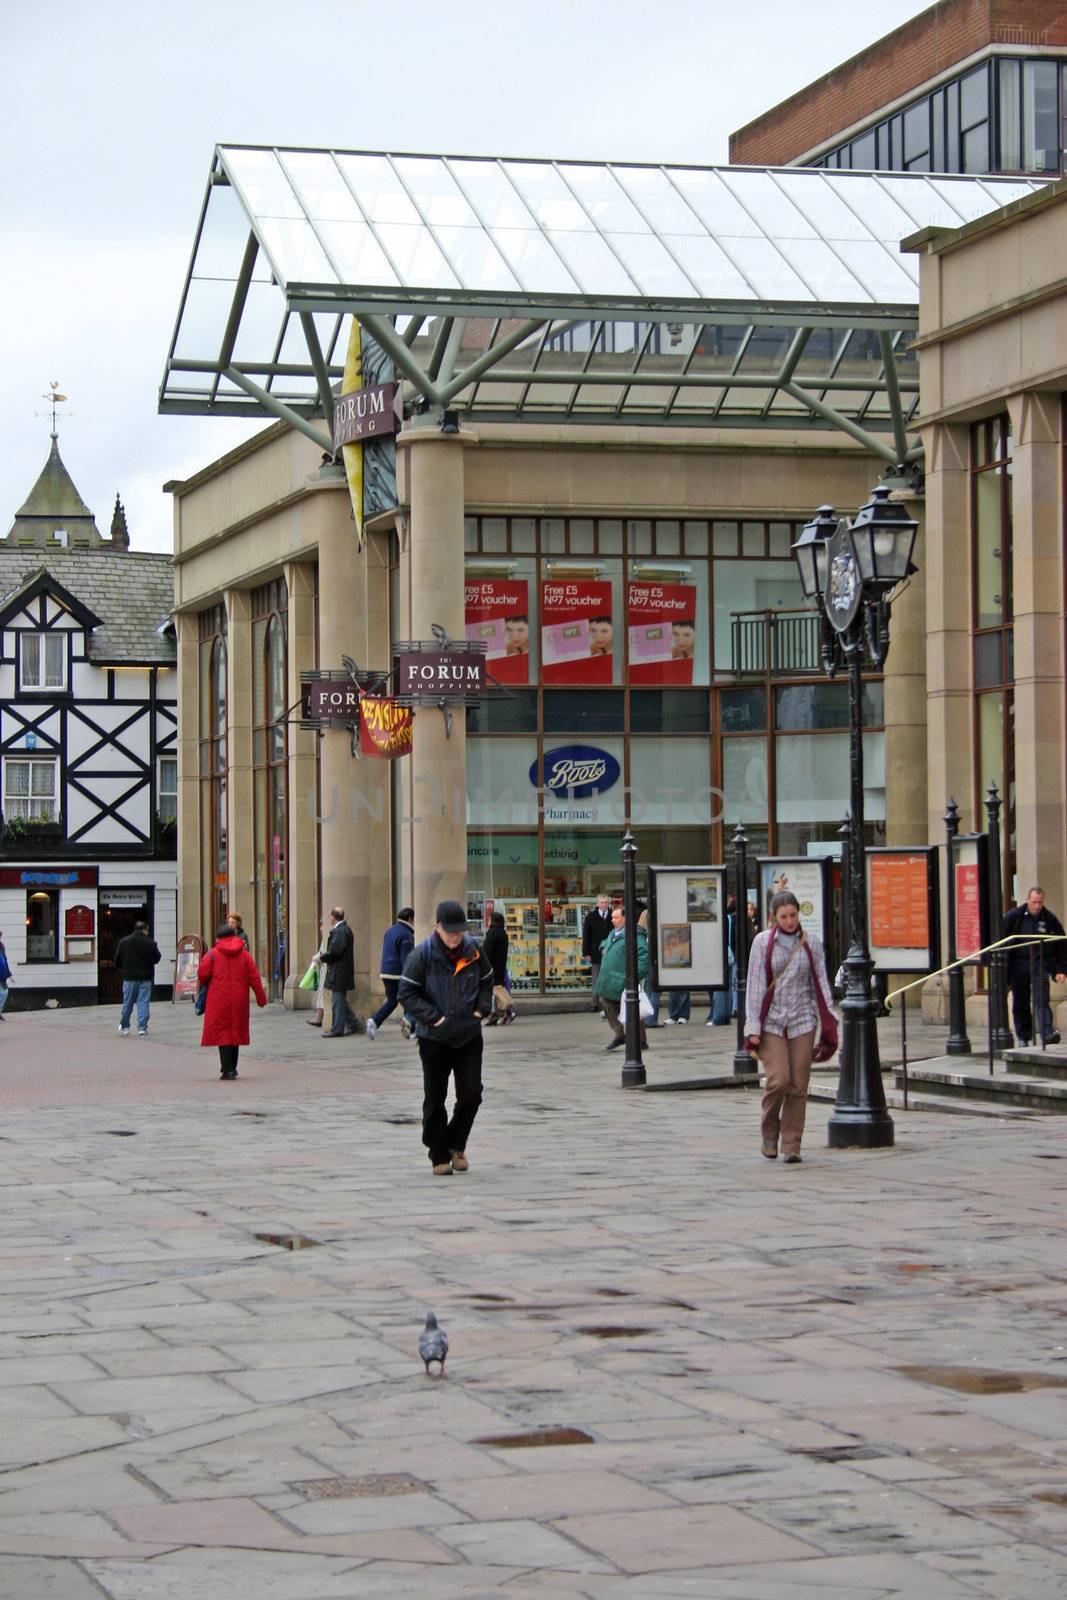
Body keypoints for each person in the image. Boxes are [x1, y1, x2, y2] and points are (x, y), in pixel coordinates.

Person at [398, 900, 494, 1176]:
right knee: (435, 1097)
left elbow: (488, 981)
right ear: (437, 927)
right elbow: (407, 993)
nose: (455, 936)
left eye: (459, 931)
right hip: (434, 1037)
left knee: (472, 1094)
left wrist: (480, 1010)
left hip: (468, 1035)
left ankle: (456, 1144)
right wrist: (434, 1018)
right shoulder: (422, 955)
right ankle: (439, 1153)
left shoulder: (474, 951)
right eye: (450, 930)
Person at [744, 890, 837, 1165]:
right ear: (774, 917)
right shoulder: (762, 942)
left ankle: (792, 1144)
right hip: (771, 1021)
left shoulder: (812, 943)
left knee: (798, 1084)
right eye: (783, 916)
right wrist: (753, 1025)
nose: (789, 921)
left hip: (802, 1018)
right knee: (779, 1079)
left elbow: (820, 981)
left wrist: (829, 1019)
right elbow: (756, 985)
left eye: (793, 915)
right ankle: (769, 1133)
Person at [197, 923, 267, 1079]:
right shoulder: (245, 955)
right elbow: (255, 977)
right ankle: (233, 1068)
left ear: (218, 938)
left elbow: (202, 974)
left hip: (218, 999)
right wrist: (261, 998)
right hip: (239, 999)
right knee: (235, 1031)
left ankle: (226, 1069)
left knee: (223, 1033)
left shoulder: (212, 954)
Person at [1002, 887, 1067, 1046]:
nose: (1037, 906)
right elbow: (1001, 938)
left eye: (1040, 902)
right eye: (1034, 902)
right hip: (1019, 963)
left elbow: (1061, 944)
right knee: (1021, 1001)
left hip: (1040, 962)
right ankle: (1024, 1036)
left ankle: (1047, 1033)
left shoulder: (1049, 918)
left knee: (1041, 999)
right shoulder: (1014, 916)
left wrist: (1061, 970)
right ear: (1027, 900)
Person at [594, 903, 649, 1052]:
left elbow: (644, 957)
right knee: (613, 1004)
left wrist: (633, 976)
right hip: (611, 979)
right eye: (612, 917)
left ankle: (624, 1035)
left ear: (626, 918)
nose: (613, 920)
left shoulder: (635, 935)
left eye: (616, 917)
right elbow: (612, 944)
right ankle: (634, 1039)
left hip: (623, 979)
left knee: (630, 1008)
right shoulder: (615, 932)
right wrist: (603, 945)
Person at [366, 908, 415, 1040]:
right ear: (410, 919)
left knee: (392, 1001)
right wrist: (410, 975)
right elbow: (406, 958)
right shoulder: (407, 934)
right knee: (409, 999)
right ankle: (409, 1029)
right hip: (398, 973)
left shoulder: (390, 930)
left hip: (386, 972)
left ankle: (374, 1021)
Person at [114, 920, 161, 1037]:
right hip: (145, 977)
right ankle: (142, 1027)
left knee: (127, 1002)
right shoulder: (151, 943)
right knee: (143, 1002)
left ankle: (125, 1026)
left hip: (129, 977)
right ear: (145, 930)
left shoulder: (124, 942)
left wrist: (122, 968)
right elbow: (157, 958)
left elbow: (117, 960)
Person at [321, 906, 363, 1038]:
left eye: (330, 916)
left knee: (337, 1001)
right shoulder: (343, 930)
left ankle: (337, 1029)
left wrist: (322, 957)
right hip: (341, 970)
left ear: (333, 917)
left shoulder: (340, 931)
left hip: (339, 971)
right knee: (341, 1001)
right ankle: (355, 1025)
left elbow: (336, 952)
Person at [582, 895, 613, 1012]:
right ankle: (594, 1003)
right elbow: (586, 935)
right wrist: (586, 953)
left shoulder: (613, 916)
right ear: (597, 904)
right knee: (596, 980)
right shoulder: (590, 916)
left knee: (610, 979)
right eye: (602, 902)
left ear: (608, 904)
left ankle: (609, 1004)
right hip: (595, 952)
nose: (604, 905)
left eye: (606, 902)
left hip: (610, 952)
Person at [482, 910, 514, 1025]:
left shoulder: (491, 933)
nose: (488, 921)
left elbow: (486, 952)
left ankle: (497, 1014)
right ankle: (501, 1014)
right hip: (500, 966)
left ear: (493, 921)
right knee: (497, 988)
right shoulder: (503, 933)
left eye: (490, 919)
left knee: (493, 991)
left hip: (491, 967)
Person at [0, 932, 11, 1019]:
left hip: (2, 975)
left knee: (4, 992)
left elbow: (5, 960)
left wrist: (9, 973)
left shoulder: (1, 946)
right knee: (4, 992)